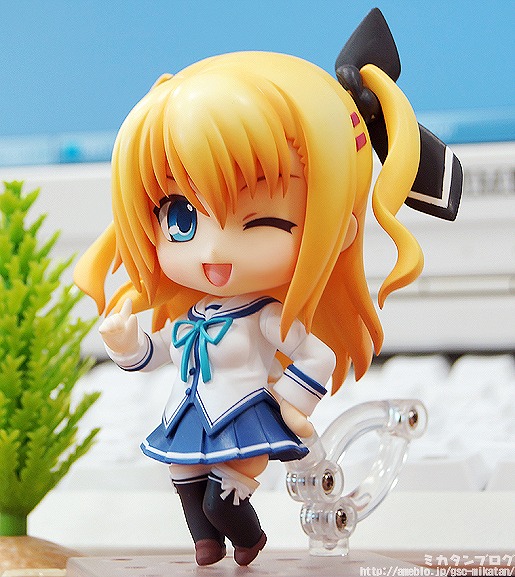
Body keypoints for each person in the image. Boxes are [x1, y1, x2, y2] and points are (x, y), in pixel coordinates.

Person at [75, 12, 457, 565]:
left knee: (223, 495)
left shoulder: (266, 316)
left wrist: (291, 403)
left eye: (259, 220)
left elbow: (317, 356)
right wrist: (125, 343)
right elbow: (155, 353)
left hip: (245, 417)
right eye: (182, 217)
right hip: (190, 416)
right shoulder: (193, 315)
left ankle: (248, 538)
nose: (212, 251)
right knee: (182, 475)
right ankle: (206, 542)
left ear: (337, 227)